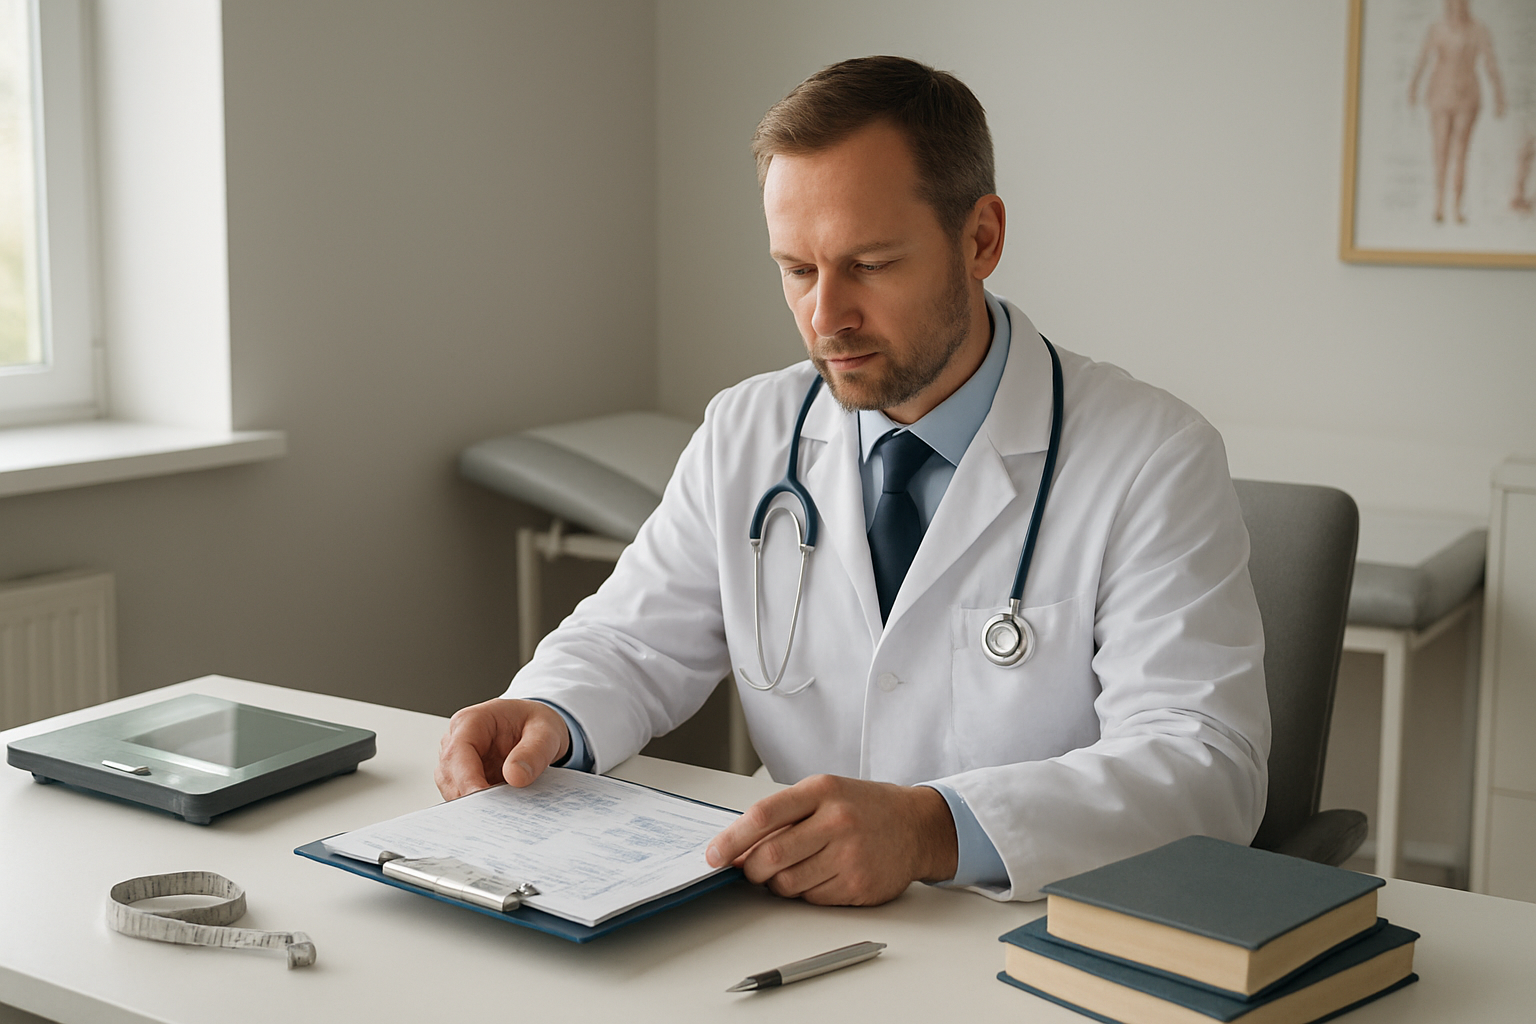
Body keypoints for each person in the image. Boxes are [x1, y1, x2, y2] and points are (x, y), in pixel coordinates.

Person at [437, 56, 1269, 906]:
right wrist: (549, 713)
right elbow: (632, 642)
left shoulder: (1152, 456)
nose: (825, 317)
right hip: (794, 911)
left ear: (980, 239)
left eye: (868, 265)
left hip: (1038, 926)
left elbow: (1203, 763)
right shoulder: (748, 431)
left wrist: (930, 829)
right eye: (797, 270)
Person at [1408, 0, 1506, 224]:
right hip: (1440, 92)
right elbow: (1422, 59)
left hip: (1467, 94)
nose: (1457, 6)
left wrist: (1499, 95)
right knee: (1440, 150)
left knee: (1461, 151)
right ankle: (1438, 204)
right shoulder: (1438, 28)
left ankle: (1456, 206)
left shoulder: (1478, 29)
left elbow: (1491, 63)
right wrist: (1413, 85)